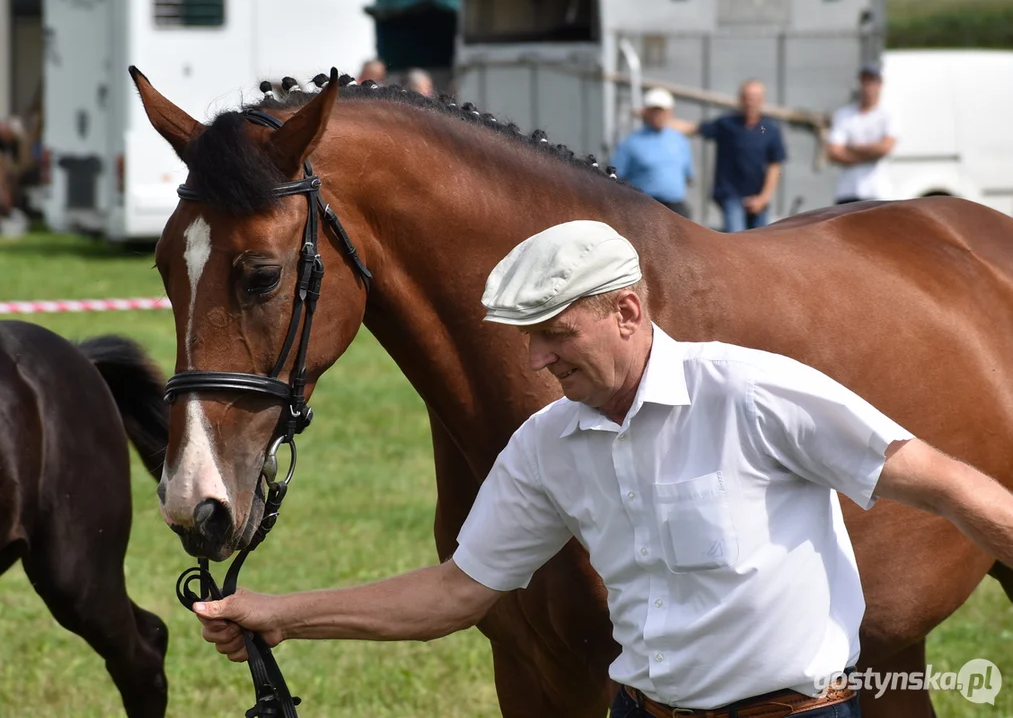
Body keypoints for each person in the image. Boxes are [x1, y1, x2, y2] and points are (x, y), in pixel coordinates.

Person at [190, 221, 1013, 717]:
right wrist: (283, 612)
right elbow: (457, 590)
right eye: (527, 338)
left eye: (554, 335)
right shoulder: (546, 446)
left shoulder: (754, 393)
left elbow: (949, 484)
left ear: (626, 311)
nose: (537, 361)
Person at [674, 80, 787, 232]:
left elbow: (775, 165)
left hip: (758, 198)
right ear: (740, 99)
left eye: (754, 98)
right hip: (730, 195)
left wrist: (763, 198)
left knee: (761, 241)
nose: (750, 102)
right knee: (737, 237)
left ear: (762, 100)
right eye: (747, 97)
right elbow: (693, 128)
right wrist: (660, 121)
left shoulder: (769, 130)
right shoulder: (727, 124)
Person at [612, 88, 694, 219]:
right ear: (646, 112)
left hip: (676, 207)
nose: (658, 115)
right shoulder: (631, 142)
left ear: (670, 112)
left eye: (662, 111)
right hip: (644, 206)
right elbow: (616, 175)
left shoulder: (679, 140)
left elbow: (688, 175)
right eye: (654, 111)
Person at [826, 63, 899, 204]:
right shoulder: (844, 113)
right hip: (847, 191)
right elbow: (833, 151)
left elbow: (885, 148)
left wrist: (851, 149)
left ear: (880, 84)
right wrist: (870, 152)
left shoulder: (889, 114)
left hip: (877, 192)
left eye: (872, 81)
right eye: (865, 81)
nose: (868, 86)